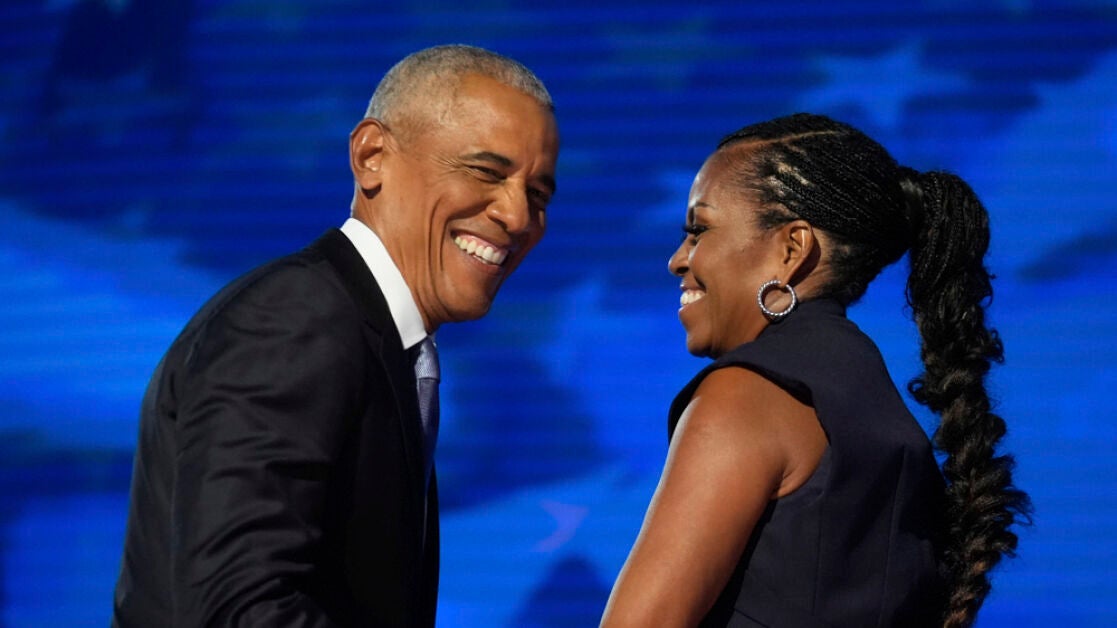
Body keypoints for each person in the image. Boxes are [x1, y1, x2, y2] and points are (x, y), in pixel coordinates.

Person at [112, 44, 559, 627]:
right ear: (372, 155)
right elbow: (240, 607)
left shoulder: (376, 342)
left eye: (538, 194)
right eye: (486, 172)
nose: (518, 216)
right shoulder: (296, 319)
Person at [601, 113, 1029, 628]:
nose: (677, 259)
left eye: (699, 231)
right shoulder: (882, 413)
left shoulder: (746, 396)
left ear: (791, 249)